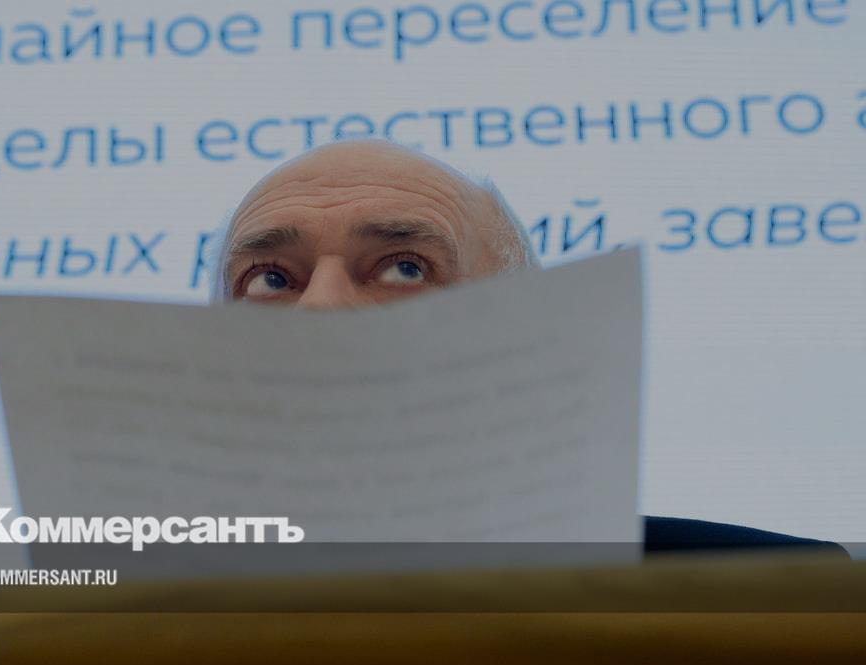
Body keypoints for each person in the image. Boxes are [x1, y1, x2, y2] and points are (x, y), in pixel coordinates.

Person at [210, 139, 845, 557]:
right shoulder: (148, 595)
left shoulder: (778, 594)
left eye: (405, 268)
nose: (320, 310)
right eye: (269, 281)